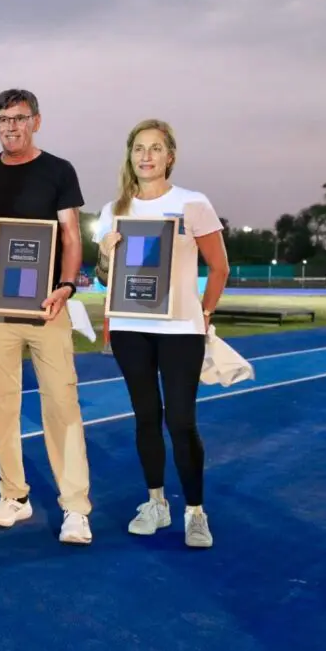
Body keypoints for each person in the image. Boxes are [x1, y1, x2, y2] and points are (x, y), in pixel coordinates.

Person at [93, 119, 228, 549]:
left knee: (181, 421)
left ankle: (195, 512)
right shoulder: (114, 210)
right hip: (131, 328)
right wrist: (102, 254)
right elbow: (103, 278)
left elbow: (219, 267)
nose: (145, 156)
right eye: (138, 148)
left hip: (181, 329)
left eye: (155, 148)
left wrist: (204, 313)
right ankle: (155, 503)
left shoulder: (193, 203)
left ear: (170, 156)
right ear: (129, 155)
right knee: (146, 417)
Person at [0, 89, 93, 545]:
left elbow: (70, 234)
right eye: (2, 119)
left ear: (36, 121)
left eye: (19, 118)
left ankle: (76, 507)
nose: (10, 127)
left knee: (62, 405)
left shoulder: (59, 171)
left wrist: (65, 284)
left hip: (47, 308)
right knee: (2, 406)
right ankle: (14, 496)